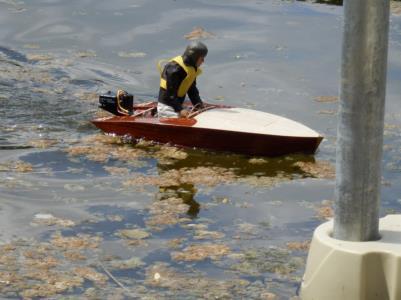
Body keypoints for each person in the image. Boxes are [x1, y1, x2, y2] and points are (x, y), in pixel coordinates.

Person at [157, 41, 207, 118]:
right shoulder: (174, 69)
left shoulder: (191, 69)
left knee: (199, 115)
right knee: (190, 120)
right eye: (202, 58)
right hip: (166, 107)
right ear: (194, 56)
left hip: (177, 105)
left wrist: (199, 106)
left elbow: (192, 91)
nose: (203, 61)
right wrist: (180, 110)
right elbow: (170, 95)